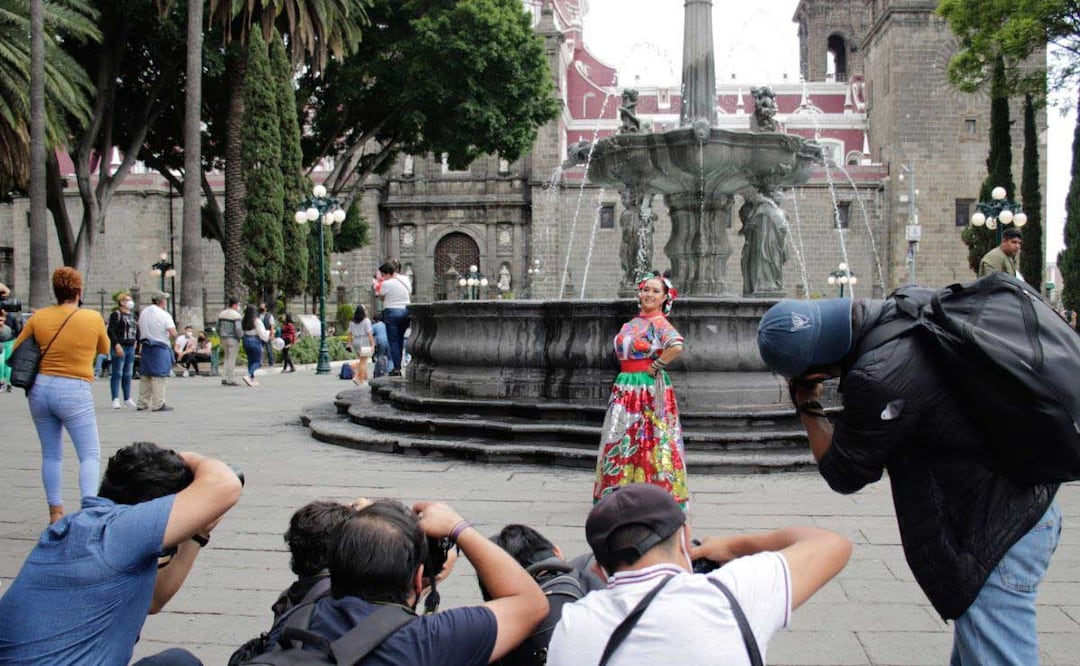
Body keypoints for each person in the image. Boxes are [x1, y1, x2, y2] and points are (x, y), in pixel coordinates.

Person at [757, 297, 1061, 665]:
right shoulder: (906, 308)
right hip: (1022, 505)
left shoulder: (877, 376)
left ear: (816, 369)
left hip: (995, 532)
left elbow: (844, 472)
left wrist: (806, 403)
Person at [546, 484, 851, 665]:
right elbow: (832, 544)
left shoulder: (572, 625)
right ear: (684, 538)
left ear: (598, 567)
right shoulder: (730, 596)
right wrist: (731, 545)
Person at [0, 442, 243, 665]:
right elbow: (225, 484)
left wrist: (197, 534)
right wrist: (188, 458)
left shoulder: (84, 527)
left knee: (177, 663)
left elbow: (153, 600)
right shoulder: (118, 531)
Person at [263, 498, 548, 665]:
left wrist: (371, 527)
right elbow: (530, 603)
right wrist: (458, 527)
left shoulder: (293, 621)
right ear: (417, 579)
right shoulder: (427, 639)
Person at [10, 267, 109, 523]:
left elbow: (18, 345)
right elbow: (104, 347)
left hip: (40, 389)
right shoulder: (92, 317)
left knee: (51, 453)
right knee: (89, 453)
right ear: (78, 291)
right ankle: (88, 510)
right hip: (74, 388)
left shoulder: (39, 317)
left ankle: (55, 511)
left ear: (55, 291)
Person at [594, 271, 689, 510]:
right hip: (626, 384)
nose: (649, 294)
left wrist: (656, 366)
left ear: (664, 298)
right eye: (646, 289)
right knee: (622, 435)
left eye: (656, 291)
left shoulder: (659, 323)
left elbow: (676, 345)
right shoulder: (633, 323)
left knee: (650, 437)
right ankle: (623, 487)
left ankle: (654, 493)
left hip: (645, 387)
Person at [137, 291, 177, 412]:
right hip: (160, 346)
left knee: (145, 375)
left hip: (146, 345)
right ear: (162, 302)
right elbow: (173, 333)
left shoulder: (144, 312)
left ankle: (142, 402)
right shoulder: (164, 315)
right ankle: (158, 403)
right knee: (159, 376)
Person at [377, 261, 411, 376]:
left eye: (383, 274)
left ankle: (397, 368)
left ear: (387, 273)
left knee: (393, 342)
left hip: (392, 312)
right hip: (406, 311)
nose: (382, 277)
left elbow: (381, 297)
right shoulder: (405, 279)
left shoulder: (386, 283)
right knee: (400, 339)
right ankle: (398, 365)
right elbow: (410, 292)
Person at [107, 292, 139, 409]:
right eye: (127, 300)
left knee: (128, 373)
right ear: (121, 302)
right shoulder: (116, 314)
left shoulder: (133, 315)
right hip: (120, 346)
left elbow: (136, 329)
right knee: (117, 373)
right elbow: (111, 331)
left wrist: (136, 341)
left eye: (130, 299)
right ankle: (115, 398)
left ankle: (127, 397)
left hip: (130, 346)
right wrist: (116, 345)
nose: (130, 302)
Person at [241, 304, 270, 387]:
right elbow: (262, 334)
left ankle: (251, 378)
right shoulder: (256, 321)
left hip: (246, 341)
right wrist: (269, 333)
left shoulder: (244, 321)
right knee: (258, 361)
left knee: (250, 360)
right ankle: (249, 375)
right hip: (255, 341)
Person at [217, 298, 243, 386]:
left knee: (226, 358)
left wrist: (220, 335)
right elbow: (238, 328)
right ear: (234, 305)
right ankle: (230, 379)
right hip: (233, 339)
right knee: (232, 359)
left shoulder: (222, 314)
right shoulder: (236, 315)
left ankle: (224, 377)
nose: (238, 307)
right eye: (238, 305)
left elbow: (217, 327)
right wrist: (240, 336)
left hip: (223, 338)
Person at [347, 303, 374, 386]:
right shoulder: (366, 321)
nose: (366, 311)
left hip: (356, 341)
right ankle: (359, 379)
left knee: (362, 360)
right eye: (365, 309)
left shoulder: (352, 321)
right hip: (364, 340)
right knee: (363, 362)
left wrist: (349, 344)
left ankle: (364, 377)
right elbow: (369, 333)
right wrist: (372, 344)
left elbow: (350, 334)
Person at [371, 312, 391, 377]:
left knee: (380, 356)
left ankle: (378, 372)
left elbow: (370, 334)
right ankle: (389, 371)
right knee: (390, 358)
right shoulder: (386, 324)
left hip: (381, 342)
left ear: (375, 320)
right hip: (389, 341)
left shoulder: (375, 325)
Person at [259, 302, 277, 367]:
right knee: (259, 349)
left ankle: (271, 362)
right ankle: (259, 362)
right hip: (259, 334)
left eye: (262, 308)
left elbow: (272, 326)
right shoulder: (258, 315)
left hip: (267, 334)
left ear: (266, 308)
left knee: (269, 349)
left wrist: (272, 334)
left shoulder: (269, 316)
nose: (261, 309)